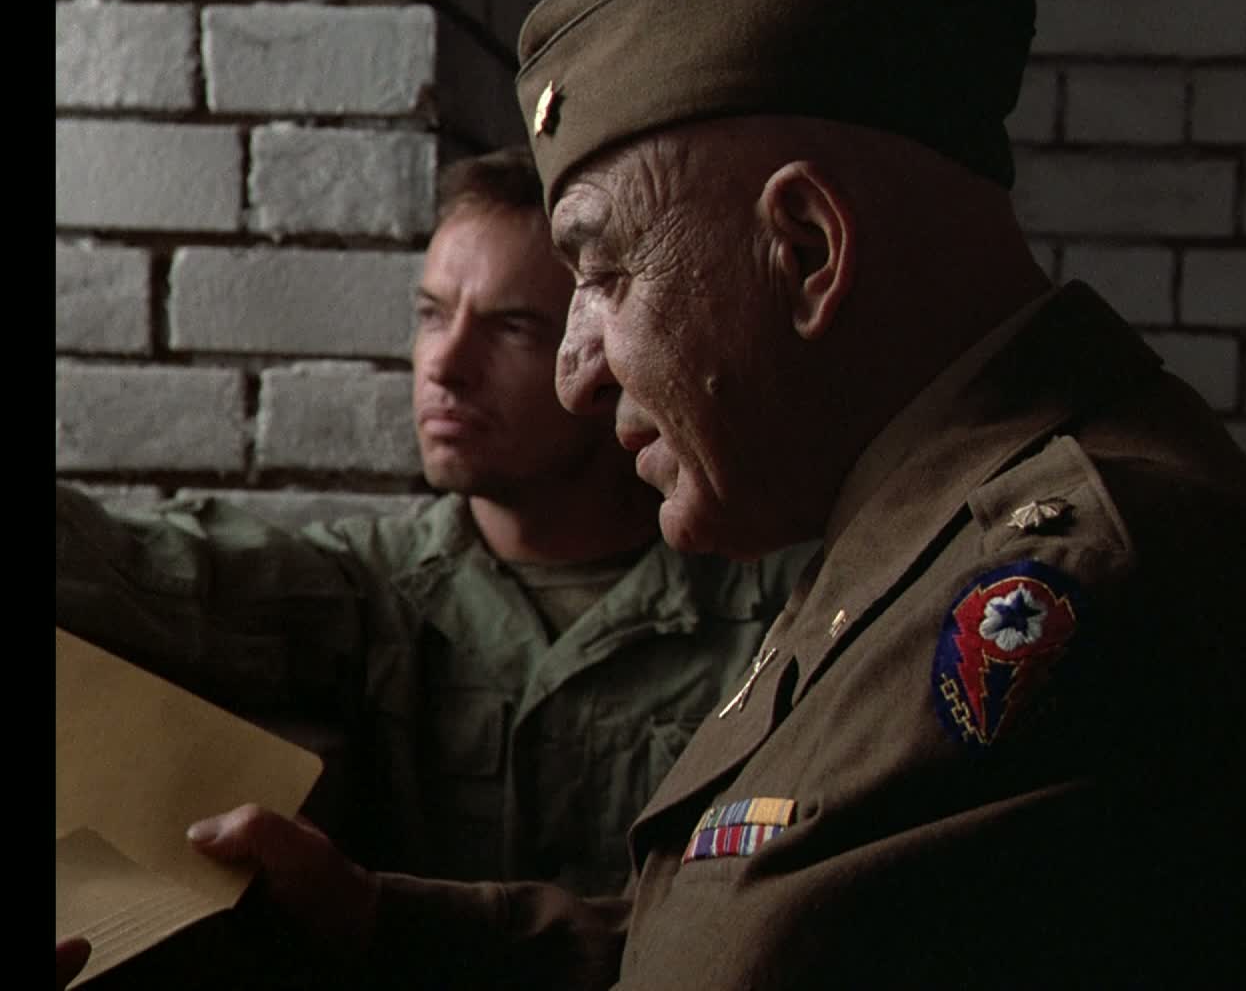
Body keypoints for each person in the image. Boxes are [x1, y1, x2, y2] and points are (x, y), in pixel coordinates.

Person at [169, 0, 1246, 989]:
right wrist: (377, 922)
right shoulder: (917, 529)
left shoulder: (1072, 601)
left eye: (603, 274)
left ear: (806, 251)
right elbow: (747, 927)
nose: (575, 372)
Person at [55, 146, 816, 898]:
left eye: (512, 328)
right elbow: (155, 572)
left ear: (605, 348)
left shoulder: (773, 606)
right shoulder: (378, 586)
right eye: (432, 315)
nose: (444, 366)